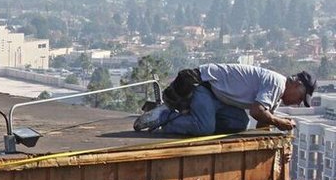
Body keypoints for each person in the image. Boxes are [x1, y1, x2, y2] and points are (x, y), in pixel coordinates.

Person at [134, 63, 315, 135]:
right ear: (297, 83)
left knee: (239, 123)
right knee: (204, 128)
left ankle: (194, 121)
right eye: (301, 97)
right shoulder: (276, 83)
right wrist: (279, 122)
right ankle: (164, 117)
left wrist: (279, 141)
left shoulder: (276, 94)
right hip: (203, 87)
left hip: (218, 98)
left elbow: (261, 122)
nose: (298, 103)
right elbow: (257, 111)